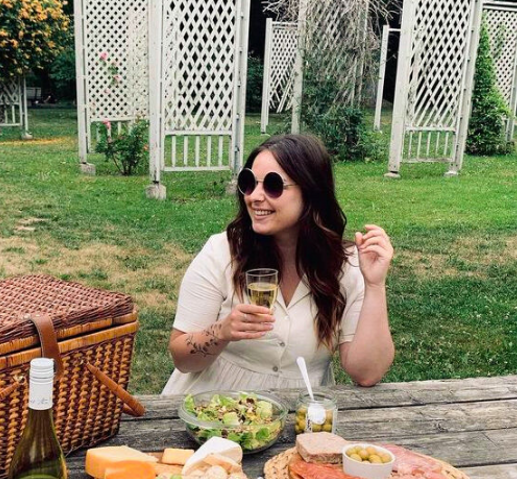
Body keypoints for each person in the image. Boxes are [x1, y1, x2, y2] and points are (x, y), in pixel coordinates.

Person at [164, 134, 395, 395]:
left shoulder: (346, 266)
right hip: (212, 409)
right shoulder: (223, 252)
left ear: (311, 191)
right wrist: (222, 331)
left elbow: (366, 373)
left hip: (298, 415)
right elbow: (182, 359)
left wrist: (375, 285)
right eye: (248, 183)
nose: (254, 196)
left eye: (273, 185)